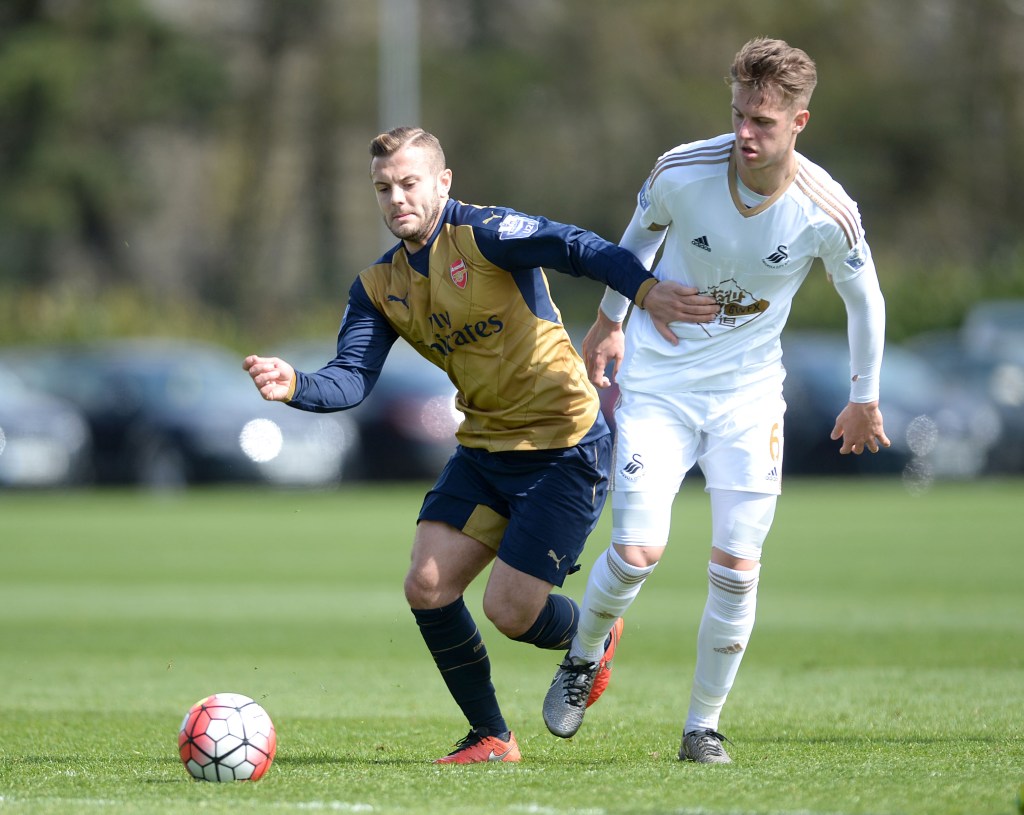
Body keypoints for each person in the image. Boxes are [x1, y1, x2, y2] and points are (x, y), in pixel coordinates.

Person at [243, 126, 719, 764]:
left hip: (564, 446)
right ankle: (492, 736)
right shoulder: (378, 286)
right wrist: (295, 384)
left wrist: (644, 292)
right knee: (427, 585)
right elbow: (351, 377)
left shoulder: (487, 234)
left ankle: (592, 637)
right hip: (484, 449)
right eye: (383, 188)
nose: (396, 199)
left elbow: (577, 247)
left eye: (410, 183)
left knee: (511, 612)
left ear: (443, 182)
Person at [541, 37, 890, 763]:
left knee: (737, 566)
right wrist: (610, 320)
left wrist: (865, 396)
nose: (744, 133)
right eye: (738, 113)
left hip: (749, 399)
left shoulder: (827, 210)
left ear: (799, 123)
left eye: (762, 120)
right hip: (661, 385)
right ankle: (583, 655)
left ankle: (703, 725)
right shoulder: (681, 171)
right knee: (636, 554)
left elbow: (866, 300)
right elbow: (632, 243)